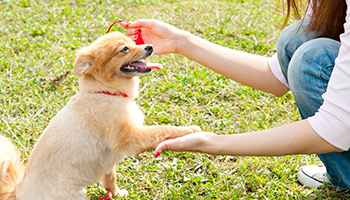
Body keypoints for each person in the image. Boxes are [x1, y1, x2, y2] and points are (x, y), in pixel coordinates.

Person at [121, 0, 350, 189]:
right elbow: (276, 77)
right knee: (297, 39)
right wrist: (180, 42)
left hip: (335, 129)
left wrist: (209, 142)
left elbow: (332, 127)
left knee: (313, 58)